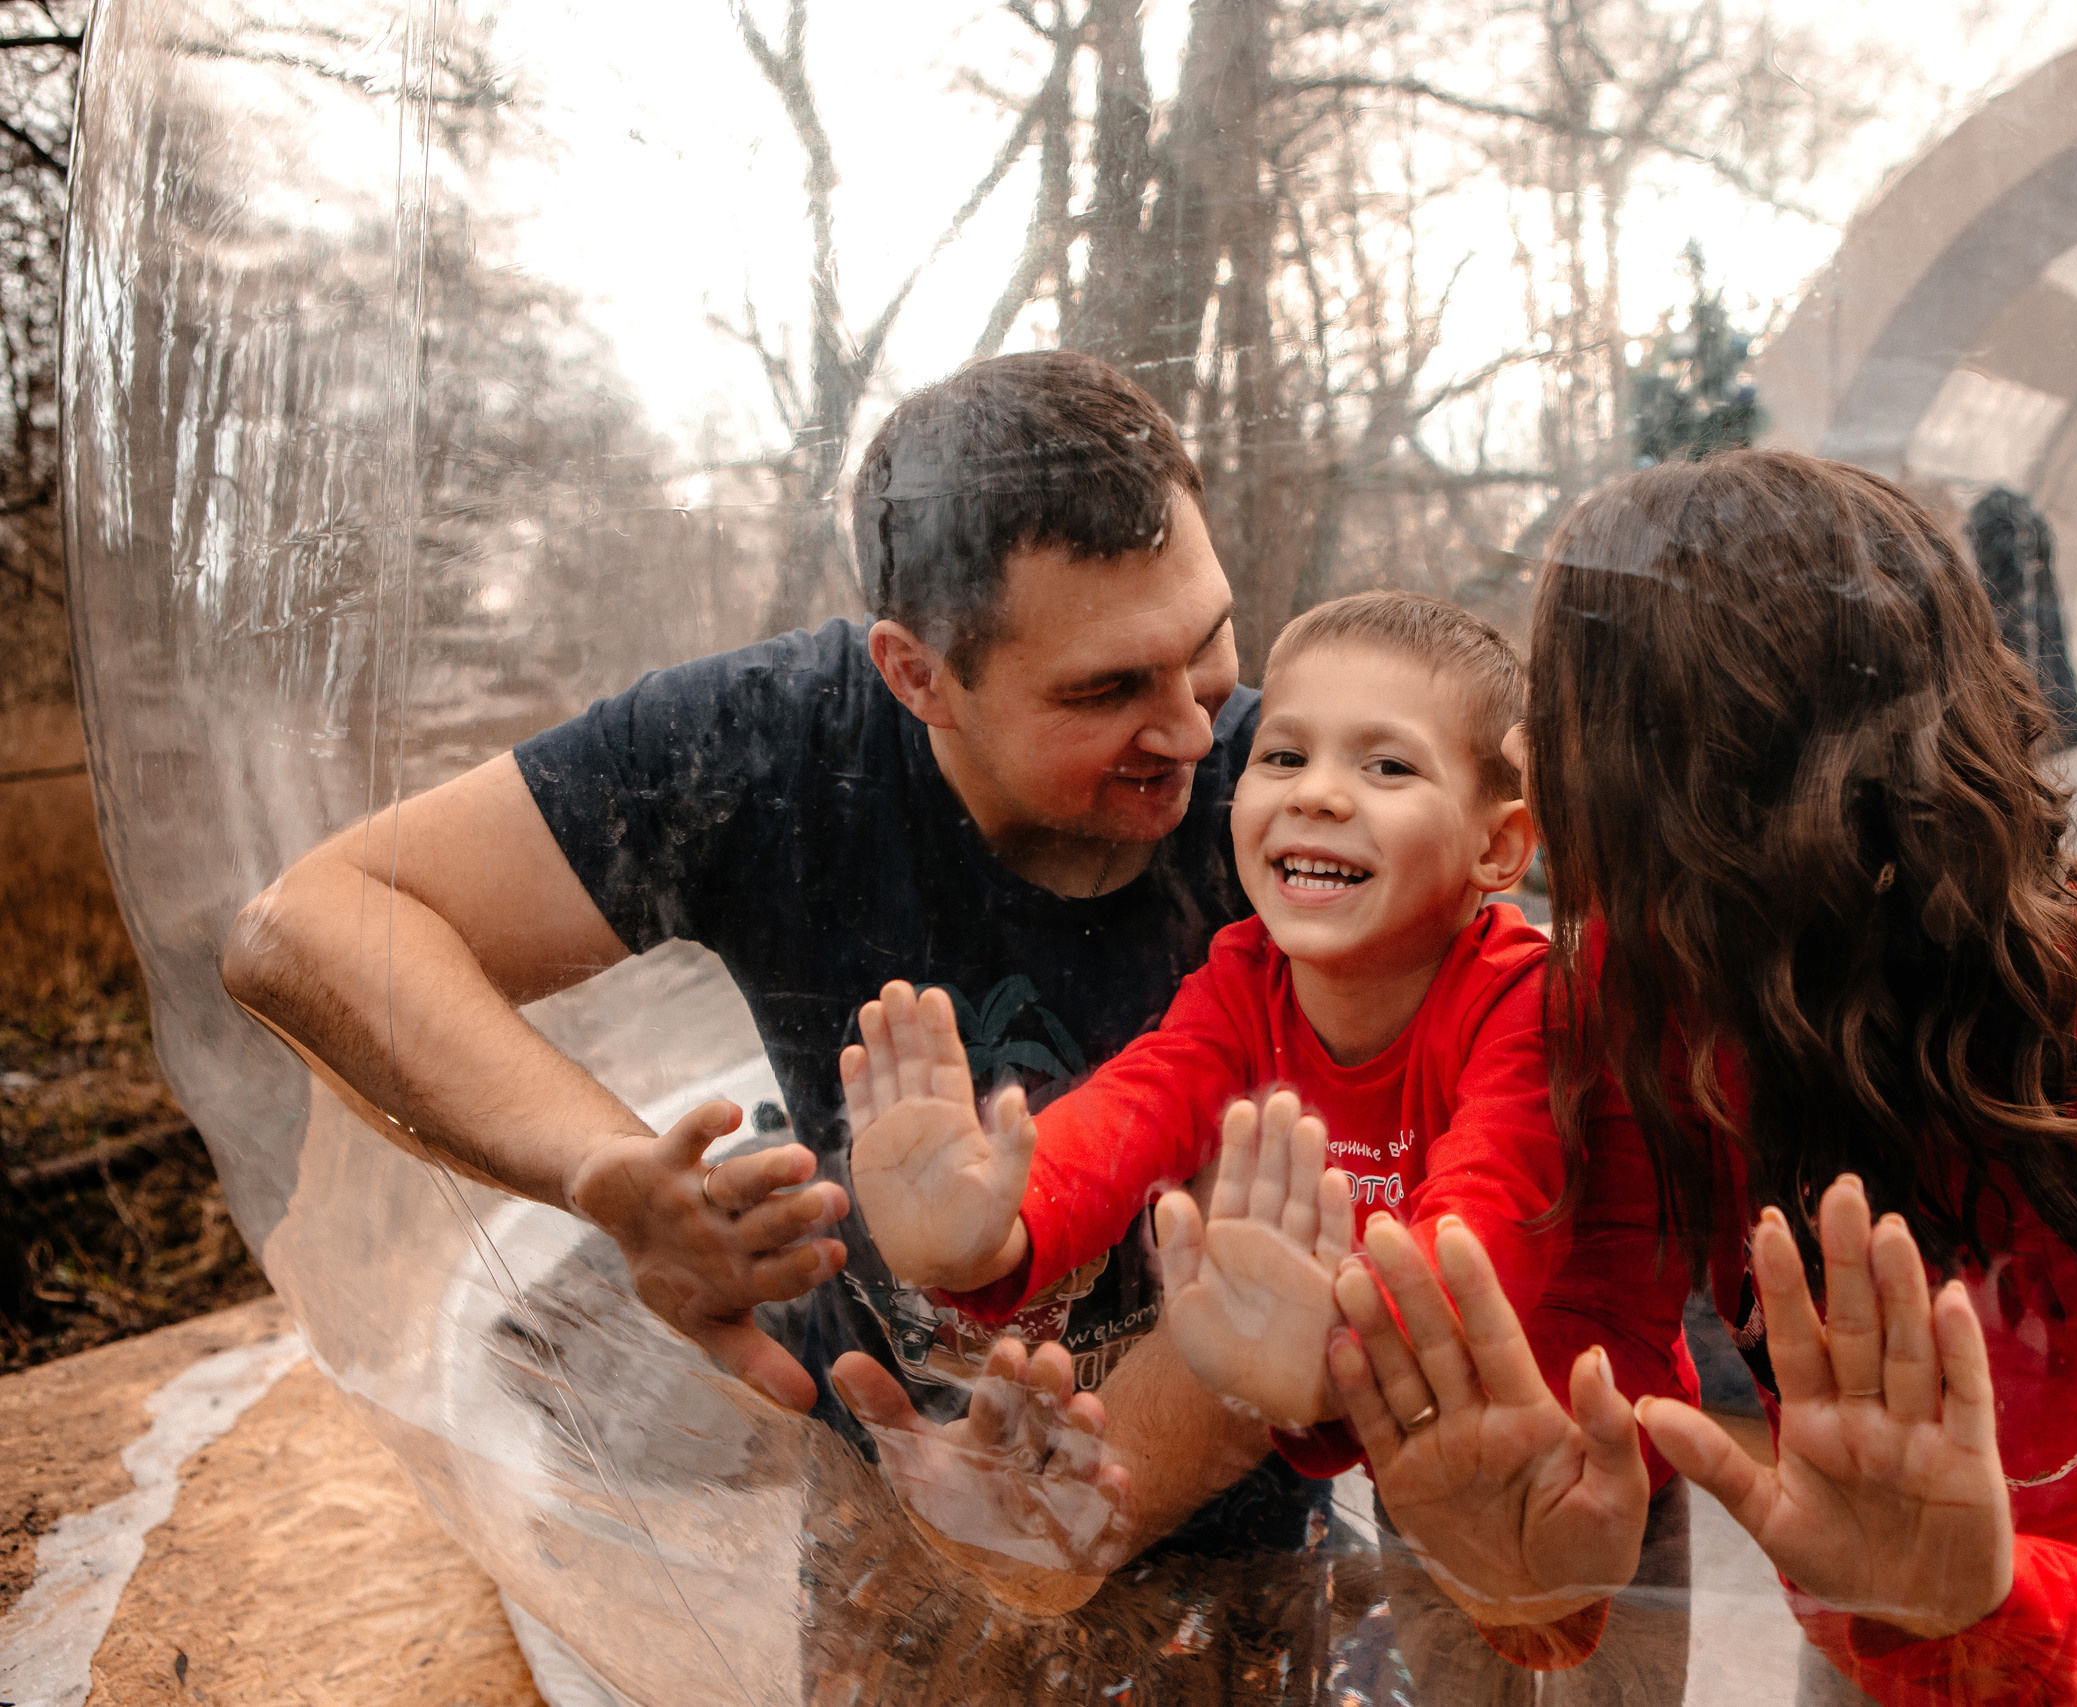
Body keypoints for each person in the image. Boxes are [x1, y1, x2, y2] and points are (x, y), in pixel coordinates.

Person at [1325, 448, 2077, 1705]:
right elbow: (1589, 1426)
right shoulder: (1633, 992)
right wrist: (1534, 1585)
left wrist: (1994, 1606)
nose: (1526, 742)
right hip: (1870, 1599)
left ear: (1699, 773)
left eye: (1570, 702)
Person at [218, 351, 1311, 1607]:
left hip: (1241, 1550)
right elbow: (308, 927)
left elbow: (1372, 1229)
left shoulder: (1289, 803)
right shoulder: (774, 747)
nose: (1190, 724)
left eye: (1209, 638)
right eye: (1108, 688)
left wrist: (1055, 1520)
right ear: (917, 676)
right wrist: (604, 1174)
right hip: (891, 1517)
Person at [834, 591, 1698, 1496]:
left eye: (1389, 767)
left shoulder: (1526, 999)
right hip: (1418, 1440)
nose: (1317, 793)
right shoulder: (1245, 977)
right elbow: (1139, 1104)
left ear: (1500, 847)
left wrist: (1344, 1344)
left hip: (1596, 1449)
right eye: (1283, 755)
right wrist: (1000, 1222)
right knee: (1432, 1614)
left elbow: (1493, 1203)